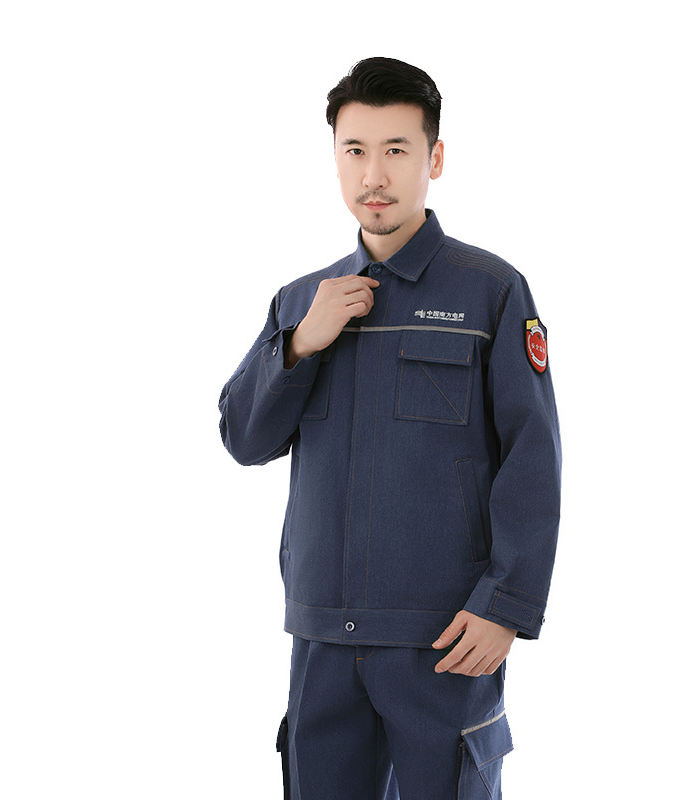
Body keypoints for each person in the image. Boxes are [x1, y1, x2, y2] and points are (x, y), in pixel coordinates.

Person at [218, 57, 561, 800]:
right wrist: (299, 345)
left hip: (444, 639)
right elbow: (243, 438)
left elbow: (533, 456)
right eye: (355, 151)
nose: (373, 175)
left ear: (434, 159)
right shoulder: (301, 302)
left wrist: (506, 606)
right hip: (321, 638)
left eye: (396, 150)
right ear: (336, 158)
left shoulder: (491, 291)